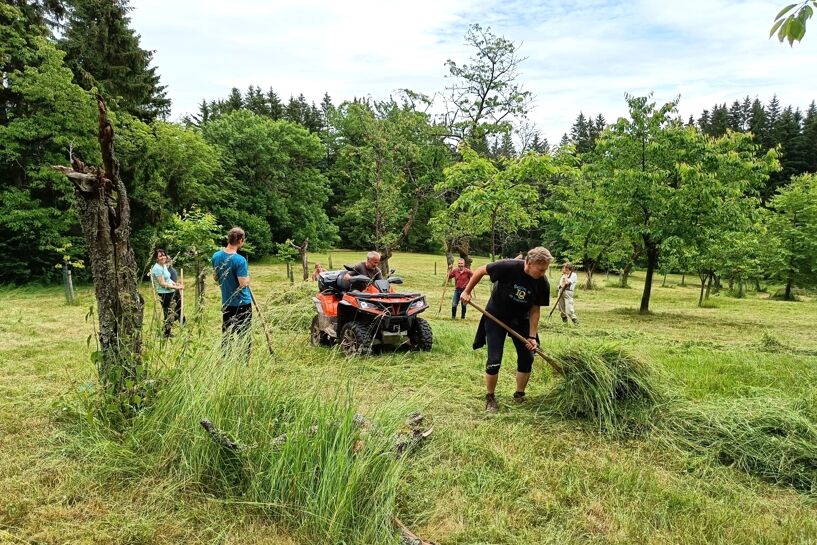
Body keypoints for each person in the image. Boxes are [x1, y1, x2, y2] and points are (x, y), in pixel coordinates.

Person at [460, 247, 554, 413]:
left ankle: (519, 394)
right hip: (496, 316)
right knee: (494, 359)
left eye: (545, 269)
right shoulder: (508, 266)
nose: (543, 273)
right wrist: (467, 291)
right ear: (529, 263)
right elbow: (482, 270)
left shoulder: (542, 282)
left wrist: (532, 336)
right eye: (541, 269)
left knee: (527, 357)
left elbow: (535, 310)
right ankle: (490, 397)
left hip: (521, 319)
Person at [212, 227, 253, 346]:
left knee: (227, 335)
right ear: (240, 240)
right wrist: (248, 279)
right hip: (242, 304)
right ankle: (243, 362)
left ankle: (226, 359)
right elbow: (243, 283)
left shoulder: (216, 256)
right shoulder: (240, 260)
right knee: (244, 335)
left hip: (226, 303)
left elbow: (215, 277)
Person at [151, 249, 184, 337]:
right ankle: (166, 333)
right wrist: (176, 287)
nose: (163, 257)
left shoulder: (164, 266)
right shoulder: (157, 268)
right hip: (164, 294)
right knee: (168, 313)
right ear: (156, 258)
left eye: (164, 255)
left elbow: (168, 279)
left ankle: (166, 330)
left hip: (171, 291)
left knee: (177, 309)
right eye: (160, 256)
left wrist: (175, 283)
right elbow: (162, 284)